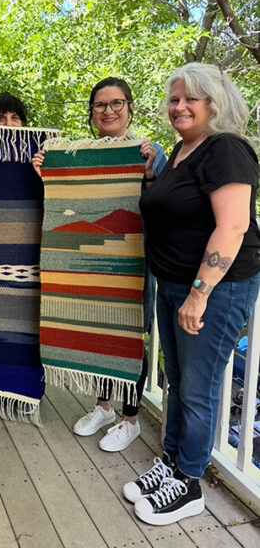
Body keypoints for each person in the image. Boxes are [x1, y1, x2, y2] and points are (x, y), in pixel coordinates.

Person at [125, 63, 260, 526]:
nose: (179, 106)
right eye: (174, 99)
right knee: (177, 382)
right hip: (173, 283)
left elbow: (234, 225)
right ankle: (171, 461)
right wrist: (148, 176)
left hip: (215, 288)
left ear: (214, 103)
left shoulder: (226, 150)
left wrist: (200, 295)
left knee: (199, 389)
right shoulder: (181, 152)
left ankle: (188, 482)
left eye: (190, 99)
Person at [33, 77, 166, 451]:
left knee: (127, 333)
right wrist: (47, 171)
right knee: (98, 330)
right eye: (100, 105)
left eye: (116, 103)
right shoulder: (77, 155)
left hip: (131, 266)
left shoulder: (147, 152)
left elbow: (164, 201)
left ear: (130, 108)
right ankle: (104, 407)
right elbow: (61, 202)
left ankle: (130, 418)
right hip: (88, 264)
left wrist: (153, 170)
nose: (108, 111)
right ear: (91, 113)